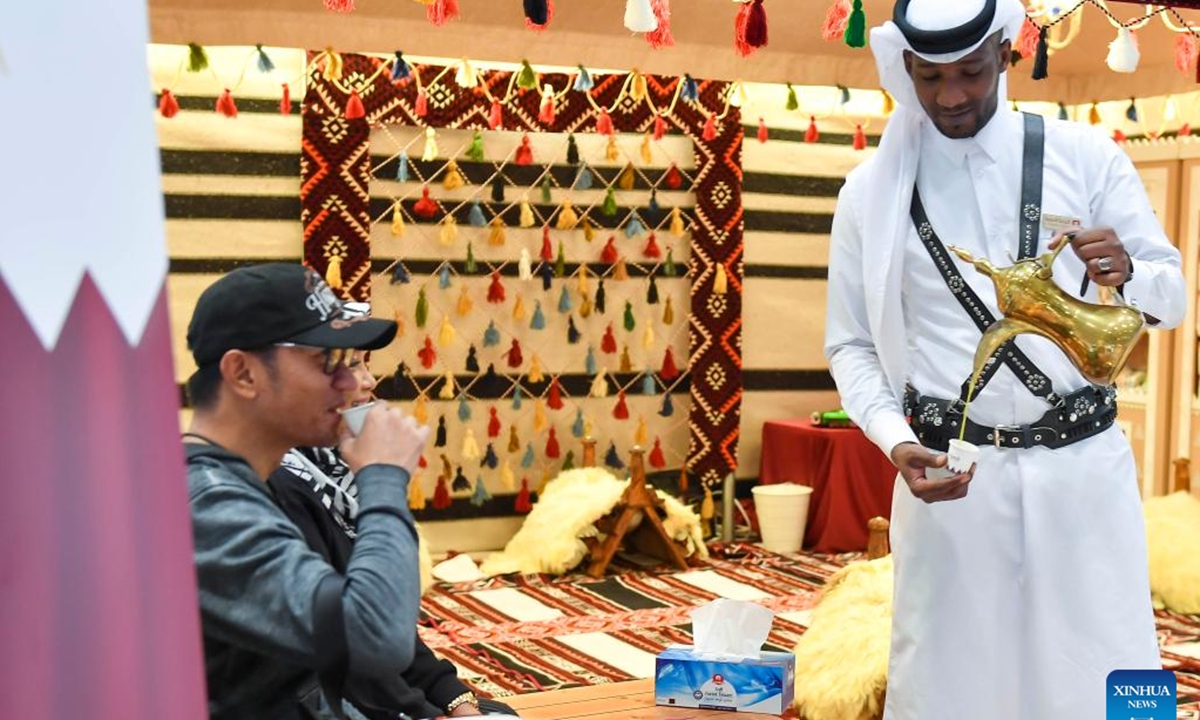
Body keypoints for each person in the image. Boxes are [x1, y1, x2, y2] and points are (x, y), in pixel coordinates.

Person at [823, 1, 1186, 718]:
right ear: (905, 69)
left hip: (1084, 474)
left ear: (1005, 56)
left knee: (1111, 671)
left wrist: (1128, 274)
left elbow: (1171, 299)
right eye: (930, 77)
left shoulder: (1085, 156)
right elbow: (851, 344)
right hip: (954, 481)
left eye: (970, 72)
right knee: (947, 684)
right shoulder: (870, 193)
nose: (951, 96)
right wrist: (896, 442)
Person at [183, 262, 432, 720]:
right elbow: (376, 638)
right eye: (326, 361)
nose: (350, 381)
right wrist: (382, 476)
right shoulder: (206, 504)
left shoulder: (242, 482)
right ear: (243, 374)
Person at [268, 303, 517, 719]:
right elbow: (350, 651)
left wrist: (455, 699)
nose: (366, 382)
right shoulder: (281, 487)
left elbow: (385, 628)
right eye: (343, 365)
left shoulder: (327, 476)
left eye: (364, 364)